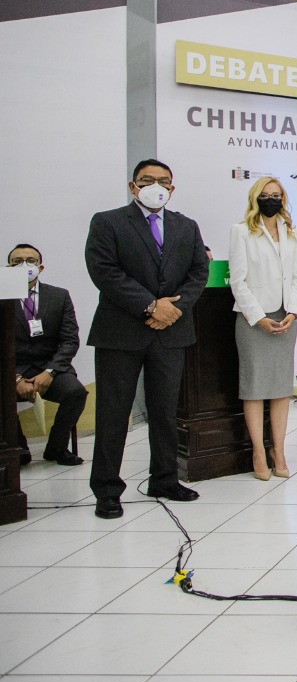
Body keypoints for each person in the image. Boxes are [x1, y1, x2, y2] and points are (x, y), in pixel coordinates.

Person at [85, 159, 209, 519]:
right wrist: (151, 306)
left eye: (164, 181)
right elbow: (104, 271)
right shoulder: (107, 222)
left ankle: (165, 479)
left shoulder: (186, 226)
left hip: (170, 332)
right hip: (121, 332)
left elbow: (198, 272)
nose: (156, 186)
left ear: (172, 188)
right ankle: (107, 490)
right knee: (113, 413)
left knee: (165, 411)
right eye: (147, 180)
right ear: (133, 186)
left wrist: (174, 308)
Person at [228, 177, 297, 480]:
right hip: (254, 320)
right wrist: (258, 317)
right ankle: (259, 451)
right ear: (255, 197)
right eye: (265, 195)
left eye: (277, 195)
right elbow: (238, 281)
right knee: (255, 388)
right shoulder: (241, 231)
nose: (271, 199)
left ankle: (279, 451)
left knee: (282, 389)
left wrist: (293, 311)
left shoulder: (292, 232)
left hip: (285, 318)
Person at [8, 245, 88, 466]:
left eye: (31, 260)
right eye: (17, 262)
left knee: (76, 393)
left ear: (40, 267)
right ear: (8, 268)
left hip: (50, 366)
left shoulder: (59, 296)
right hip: (12, 368)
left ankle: (56, 448)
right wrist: (15, 378)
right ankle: (19, 449)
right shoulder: (2, 298)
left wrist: (50, 372)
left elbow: (70, 340)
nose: (25, 265)